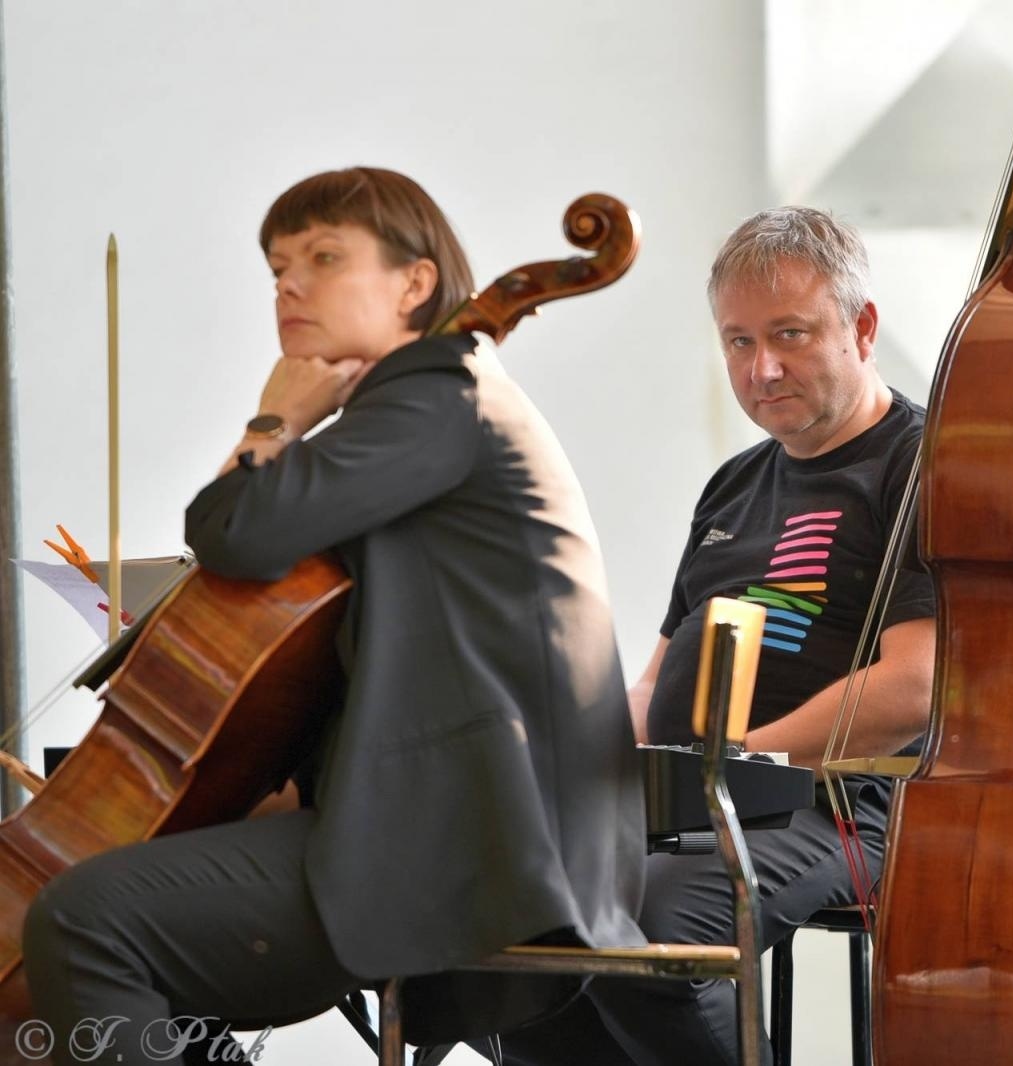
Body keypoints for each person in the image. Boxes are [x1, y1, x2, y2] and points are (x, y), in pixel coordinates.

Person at [20, 166, 645, 1063]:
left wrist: (274, 420)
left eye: (323, 258)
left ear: (415, 282)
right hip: (458, 826)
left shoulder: (436, 394)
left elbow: (237, 531)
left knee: (86, 919)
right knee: (123, 912)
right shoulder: (437, 403)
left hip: (466, 842)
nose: (289, 286)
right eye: (277, 267)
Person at [492, 206, 936, 1065]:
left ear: (863, 328)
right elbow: (651, 686)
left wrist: (735, 769)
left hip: (838, 807)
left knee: (644, 926)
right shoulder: (734, 484)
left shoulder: (921, 466)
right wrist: (562, 761)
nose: (761, 368)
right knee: (514, 914)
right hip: (697, 802)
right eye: (739, 341)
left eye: (790, 335)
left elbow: (913, 687)